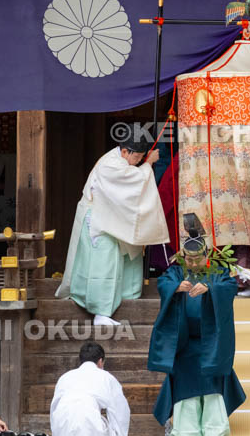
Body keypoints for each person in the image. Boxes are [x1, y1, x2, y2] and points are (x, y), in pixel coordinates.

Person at [148, 217, 246, 436]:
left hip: (210, 342)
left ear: (206, 256)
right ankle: (187, 432)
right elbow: (163, 282)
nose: (191, 264)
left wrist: (210, 288)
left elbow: (230, 286)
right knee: (185, 387)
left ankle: (214, 430)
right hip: (185, 342)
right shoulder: (176, 273)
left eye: (196, 259)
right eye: (188, 260)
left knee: (212, 387)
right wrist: (175, 287)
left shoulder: (218, 272)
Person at [57, 132, 170, 326]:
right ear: (125, 151)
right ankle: (100, 311)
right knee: (104, 263)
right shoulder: (110, 164)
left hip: (111, 216)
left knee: (126, 256)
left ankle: (126, 297)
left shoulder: (121, 161)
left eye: (141, 158)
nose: (138, 161)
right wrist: (149, 164)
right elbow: (131, 181)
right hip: (99, 220)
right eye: (137, 157)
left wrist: (144, 164)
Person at [48, 341, 131, 436]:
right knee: (107, 430)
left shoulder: (65, 377)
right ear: (100, 361)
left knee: (80, 426)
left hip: (62, 418)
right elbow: (120, 409)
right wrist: (122, 434)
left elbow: (54, 407)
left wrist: (57, 433)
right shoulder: (105, 376)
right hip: (87, 416)